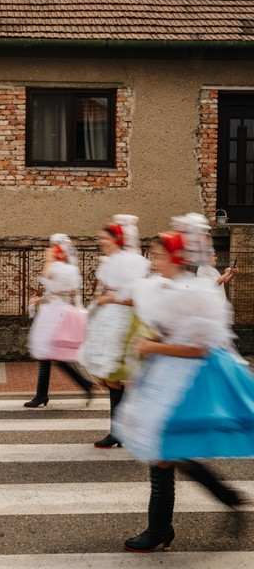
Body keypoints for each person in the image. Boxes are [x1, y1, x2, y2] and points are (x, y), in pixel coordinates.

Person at [113, 221, 254, 553]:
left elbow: (200, 349)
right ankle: (220, 501)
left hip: (184, 382)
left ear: (175, 258)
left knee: (163, 453)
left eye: (159, 255)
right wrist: (147, 349)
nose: (154, 261)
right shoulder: (160, 289)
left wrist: (152, 347)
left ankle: (160, 528)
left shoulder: (195, 294)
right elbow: (166, 330)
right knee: (165, 453)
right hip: (163, 376)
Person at [78, 215, 150, 447]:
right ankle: (120, 430)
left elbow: (137, 298)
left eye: (104, 238)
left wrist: (109, 299)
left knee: (117, 378)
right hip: (108, 322)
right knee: (112, 379)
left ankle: (125, 429)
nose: (100, 241)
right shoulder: (111, 261)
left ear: (116, 240)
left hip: (123, 326)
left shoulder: (129, 263)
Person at [24, 233, 95, 408]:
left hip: (57, 315)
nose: (48, 252)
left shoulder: (59, 269)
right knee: (48, 355)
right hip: (55, 311)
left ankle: (45, 394)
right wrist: (40, 299)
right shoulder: (66, 270)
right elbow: (58, 293)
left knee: (49, 354)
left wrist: (49, 258)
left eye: (51, 250)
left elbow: (47, 274)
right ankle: (44, 394)